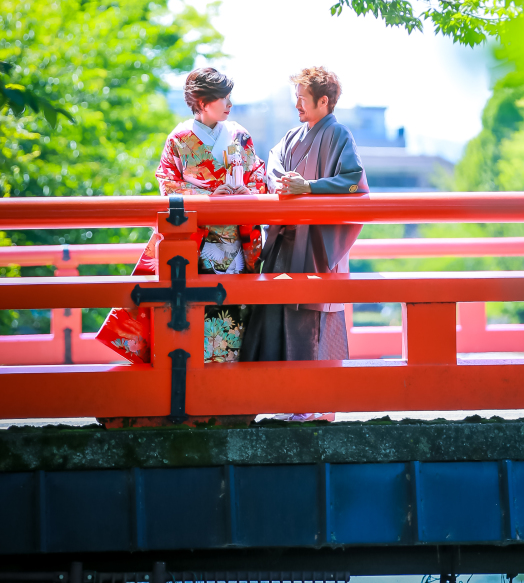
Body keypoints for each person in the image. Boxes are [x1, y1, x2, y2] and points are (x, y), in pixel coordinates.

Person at [96, 67, 266, 366]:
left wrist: (244, 191)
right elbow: (168, 184)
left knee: (234, 313)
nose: (230, 103)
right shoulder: (179, 138)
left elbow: (258, 177)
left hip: (235, 241)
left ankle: (228, 384)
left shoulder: (240, 135)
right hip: (193, 241)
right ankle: (187, 379)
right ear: (202, 102)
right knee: (187, 313)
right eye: (223, 98)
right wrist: (210, 197)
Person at [241, 66, 368, 369]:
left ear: (323, 101)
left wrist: (309, 187)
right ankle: (274, 392)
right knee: (270, 318)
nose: (296, 104)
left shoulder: (338, 134)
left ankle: (312, 396)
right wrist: (282, 183)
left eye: (302, 98)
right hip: (283, 245)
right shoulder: (291, 136)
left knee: (310, 328)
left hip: (315, 247)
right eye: (295, 97)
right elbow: (273, 166)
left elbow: (354, 181)